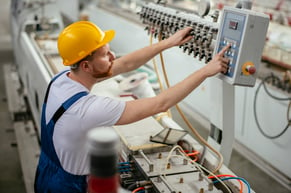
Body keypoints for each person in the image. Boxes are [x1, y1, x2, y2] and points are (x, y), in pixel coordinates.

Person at [34, 20, 230, 193]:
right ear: (86, 66)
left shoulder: (62, 79)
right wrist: (206, 71)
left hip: (46, 171)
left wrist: (169, 42)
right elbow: (160, 103)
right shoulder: (88, 109)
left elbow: (126, 63)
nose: (112, 56)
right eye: (105, 54)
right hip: (69, 187)